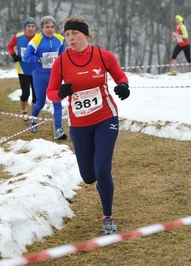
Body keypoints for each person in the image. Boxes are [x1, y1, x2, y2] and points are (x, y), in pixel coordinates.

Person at [46, 16, 130, 235]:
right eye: (67, 35)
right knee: (89, 176)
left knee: (102, 169)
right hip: (79, 124)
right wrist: (61, 93)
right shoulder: (61, 62)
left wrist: (123, 86)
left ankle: (108, 217)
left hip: (105, 118)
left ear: (85, 34)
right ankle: (99, 182)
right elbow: (51, 92)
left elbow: (120, 76)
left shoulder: (103, 56)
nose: (70, 38)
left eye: (75, 34)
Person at [23, 16, 67, 140]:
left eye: (52, 27)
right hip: (40, 76)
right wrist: (39, 59)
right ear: (42, 28)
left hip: (55, 76)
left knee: (57, 102)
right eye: (47, 27)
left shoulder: (60, 39)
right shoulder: (35, 40)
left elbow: (63, 54)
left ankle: (59, 130)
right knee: (40, 103)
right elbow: (26, 57)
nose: (50, 29)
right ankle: (33, 120)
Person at [7, 18, 37, 123]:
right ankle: (23, 111)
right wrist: (14, 55)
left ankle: (33, 115)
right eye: (28, 26)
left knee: (36, 94)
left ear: (35, 28)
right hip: (22, 69)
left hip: (35, 69)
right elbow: (10, 46)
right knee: (25, 93)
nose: (31, 28)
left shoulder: (39, 37)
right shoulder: (18, 36)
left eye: (33, 26)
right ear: (25, 27)